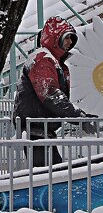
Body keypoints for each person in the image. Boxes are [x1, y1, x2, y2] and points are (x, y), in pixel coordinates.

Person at [12, 16, 96, 168]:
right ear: (54, 38)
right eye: (66, 37)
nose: (70, 42)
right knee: (47, 178)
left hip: (41, 130)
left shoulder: (50, 60)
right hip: (35, 130)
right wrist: (79, 118)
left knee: (53, 174)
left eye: (72, 38)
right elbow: (52, 95)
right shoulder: (42, 59)